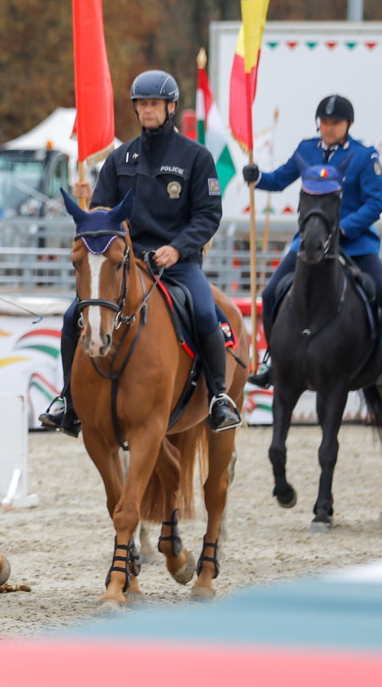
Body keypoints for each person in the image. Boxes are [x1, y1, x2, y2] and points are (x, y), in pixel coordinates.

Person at [40, 70, 242, 436]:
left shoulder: (196, 157)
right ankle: (68, 399)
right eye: (142, 104)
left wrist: (177, 248)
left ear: (170, 107)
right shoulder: (119, 159)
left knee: (204, 311)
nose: (147, 110)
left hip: (177, 264)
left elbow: (208, 215)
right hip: (125, 264)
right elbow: (102, 215)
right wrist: (90, 209)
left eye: (154, 104)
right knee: (73, 315)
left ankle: (218, 396)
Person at [242, 94, 382, 388]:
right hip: (309, 243)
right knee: (271, 293)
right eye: (324, 122)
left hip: (354, 244)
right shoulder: (306, 150)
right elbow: (279, 180)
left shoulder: (365, 156)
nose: (328, 128)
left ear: (348, 124)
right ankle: (273, 362)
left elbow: (377, 203)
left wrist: (343, 229)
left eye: (335, 123)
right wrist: (257, 177)